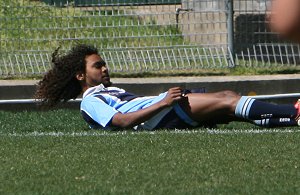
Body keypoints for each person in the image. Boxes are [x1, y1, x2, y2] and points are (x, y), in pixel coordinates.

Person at [35, 44, 300, 130]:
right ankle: (294, 112)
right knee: (228, 98)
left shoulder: (107, 91)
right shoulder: (90, 102)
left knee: (230, 110)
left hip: (164, 110)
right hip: (162, 114)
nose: (104, 68)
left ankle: (291, 120)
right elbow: (122, 121)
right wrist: (163, 102)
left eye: (104, 64)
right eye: (98, 66)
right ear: (81, 76)